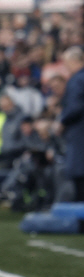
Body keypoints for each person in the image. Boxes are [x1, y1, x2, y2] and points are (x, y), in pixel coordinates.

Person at [57, 45, 84, 201]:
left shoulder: (77, 79)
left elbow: (75, 107)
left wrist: (62, 121)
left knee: (80, 181)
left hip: (79, 135)